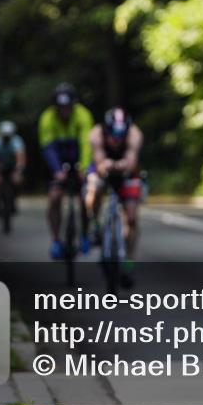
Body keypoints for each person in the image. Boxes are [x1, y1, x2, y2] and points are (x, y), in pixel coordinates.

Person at [84, 107, 144, 286]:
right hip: (103, 169)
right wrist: (106, 165)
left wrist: (120, 165)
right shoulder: (96, 134)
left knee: (131, 218)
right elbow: (99, 162)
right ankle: (94, 223)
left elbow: (131, 161)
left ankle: (128, 261)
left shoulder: (134, 134)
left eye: (120, 135)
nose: (116, 139)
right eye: (112, 135)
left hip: (127, 173)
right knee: (93, 188)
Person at [38, 82, 95, 259]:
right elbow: (48, 148)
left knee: (87, 197)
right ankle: (56, 240)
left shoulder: (83, 115)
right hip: (59, 159)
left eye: (67, 107)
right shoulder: (47, 118)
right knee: (55, 197)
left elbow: (87, 144)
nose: (64, 111)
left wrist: (84, 168)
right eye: (60, 107)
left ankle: (85, 234)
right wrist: (57, 170)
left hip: (79, 156)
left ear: (74, 104)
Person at [0, 120, 26, 215]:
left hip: (12, 167)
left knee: (18, 180)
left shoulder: (17, 141)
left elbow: (21, 158)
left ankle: (14, 198)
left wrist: (18, 170)